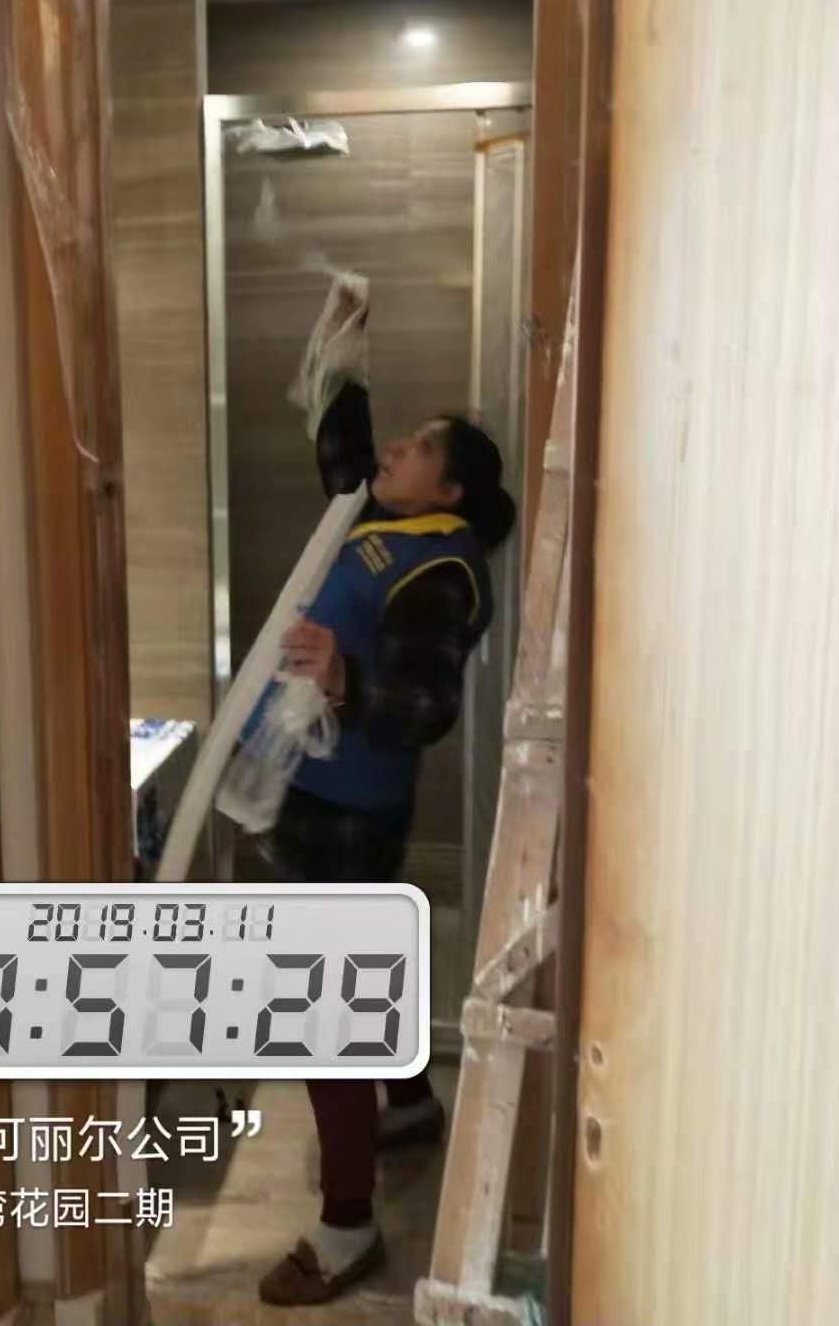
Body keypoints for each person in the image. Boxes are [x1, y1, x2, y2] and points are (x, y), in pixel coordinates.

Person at [255, 348, 517, 1307]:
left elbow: (424, 707)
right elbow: (346, 457)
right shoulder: (380, 518)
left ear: (449, 490)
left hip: (351, 812)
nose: (395, 449)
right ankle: (406, 1105)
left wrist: (340, 676)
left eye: (419, 447)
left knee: (323, 1012)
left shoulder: (443, 569)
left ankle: (346, 1227)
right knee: (359, 975)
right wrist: (344, 357)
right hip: (316, 794)